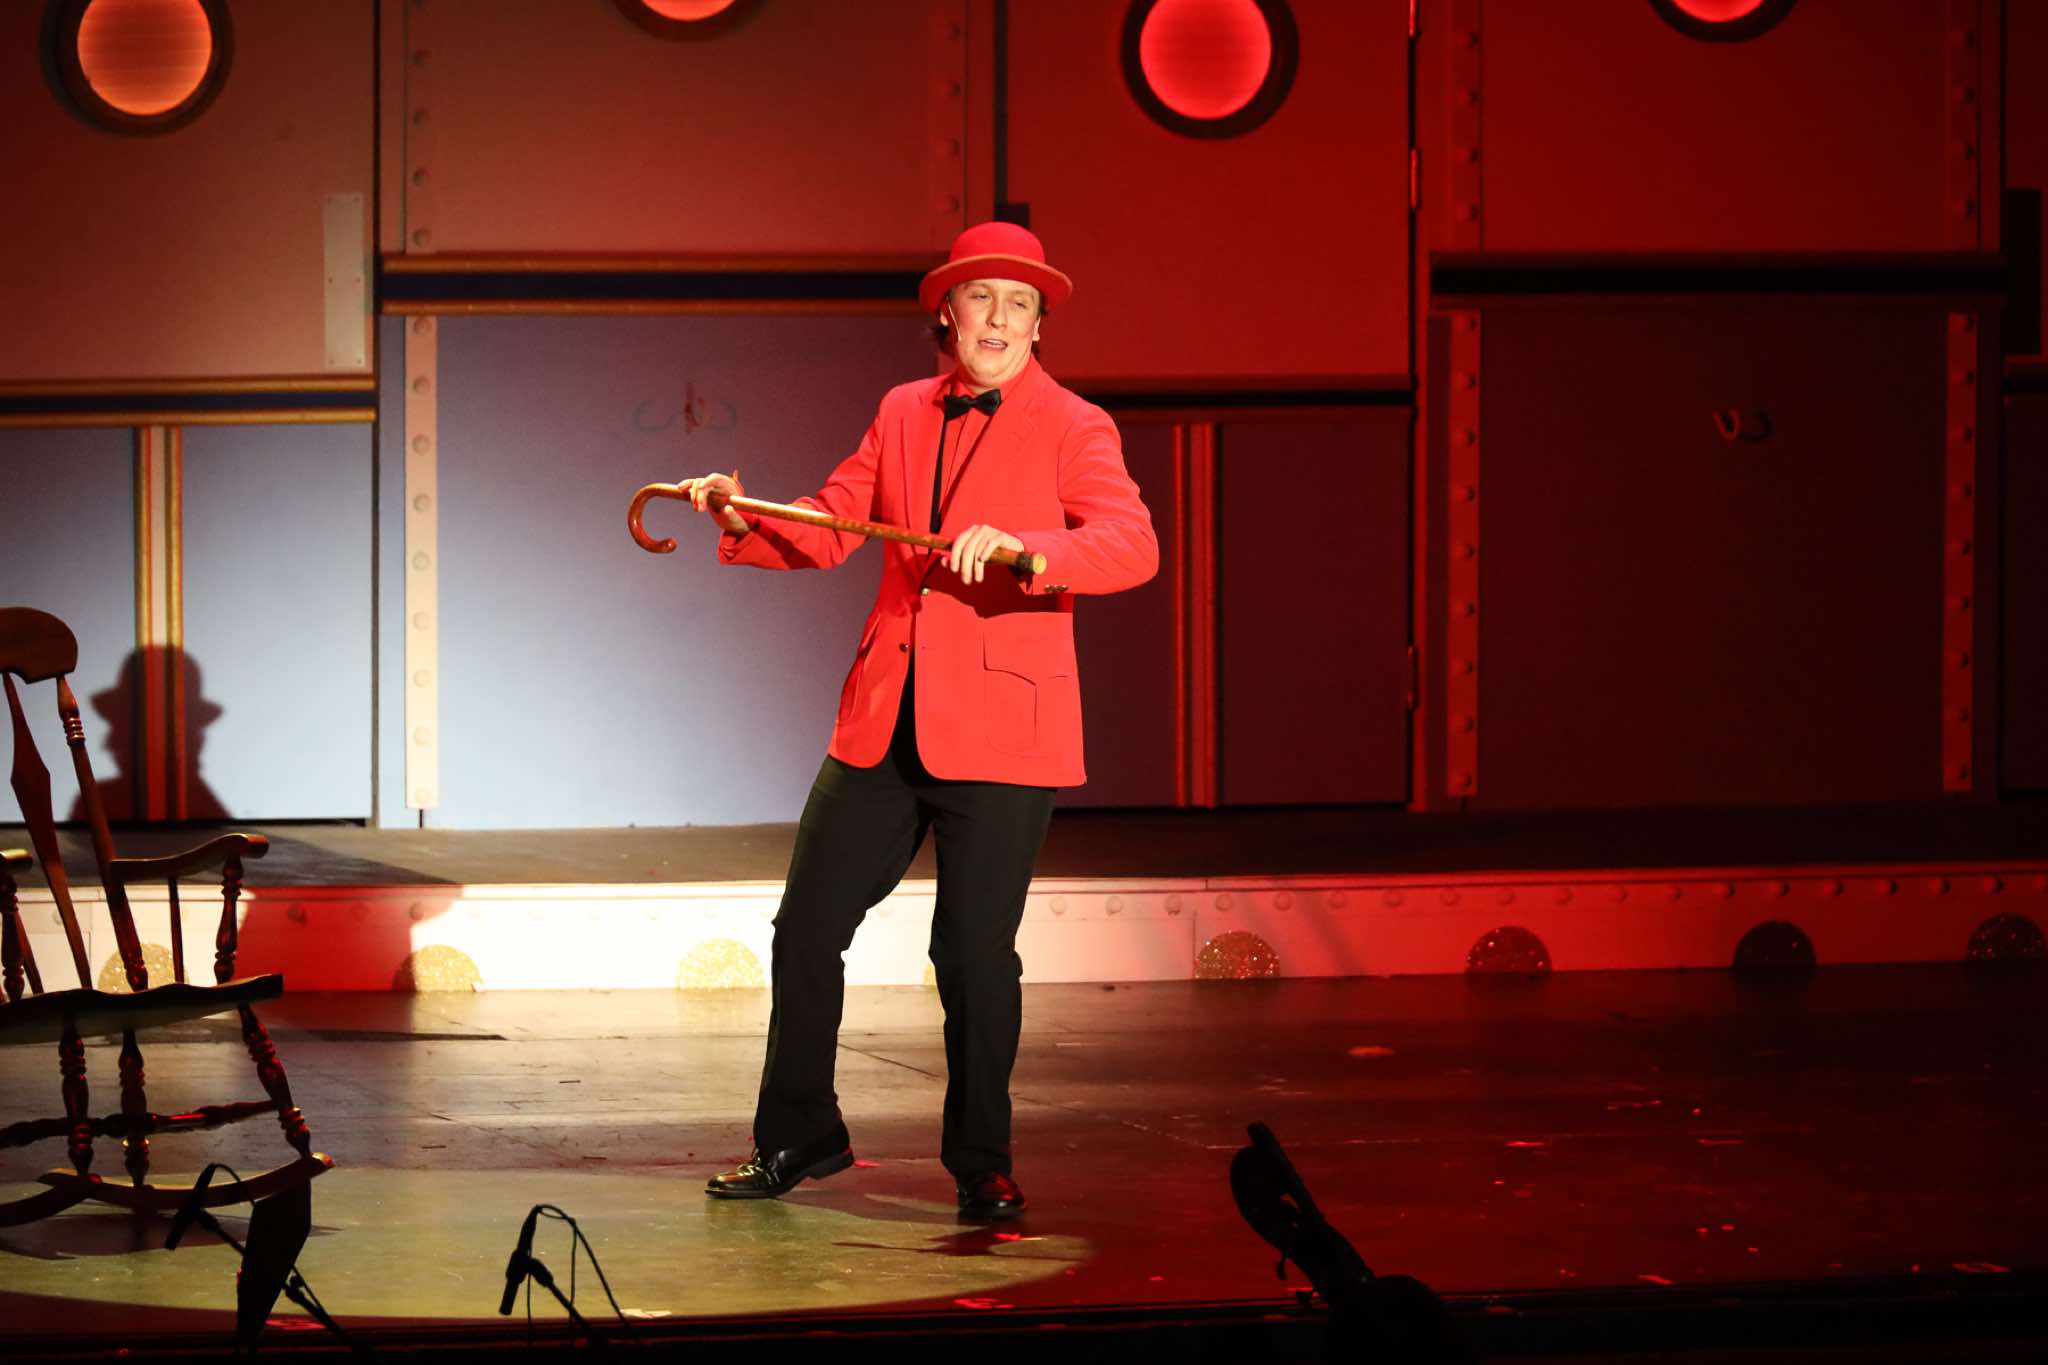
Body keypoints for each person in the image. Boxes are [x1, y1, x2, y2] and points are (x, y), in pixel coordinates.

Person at [680, 222, 1157, 1219]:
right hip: (884, 718)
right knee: (805, 928)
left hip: (1005, 730)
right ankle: (799, 1135)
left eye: (1020, 305)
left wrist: (1030, 549)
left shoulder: (1075, 423)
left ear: (1039, 326)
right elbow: (834, 524)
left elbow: (1130, 544)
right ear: (947, 312)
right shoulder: (902, 409)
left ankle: (981, 1161)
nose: (999, 320)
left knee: (971, 957)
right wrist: (742, 514)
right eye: (982, 299)